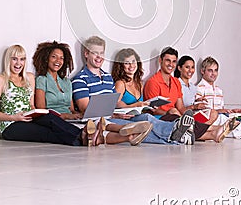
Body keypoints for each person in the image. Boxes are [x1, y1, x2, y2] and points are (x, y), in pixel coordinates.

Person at [72, 36, 209, 145]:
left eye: (101, 53)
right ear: (86, 54)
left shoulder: (108, 78)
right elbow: (87, 110)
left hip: (115, 116)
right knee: (144, 123)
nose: (99, 57)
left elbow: (114, 103)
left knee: (145, 121)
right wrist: (117, 113)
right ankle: (175, 135)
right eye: (95, 53)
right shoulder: (80, 79)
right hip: (101, 120)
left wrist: (121, 111)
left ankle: (177, 137)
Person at [33, 40, 152, 146]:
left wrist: (77, 114)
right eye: (54, 57)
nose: (58, 61)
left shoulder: (66, 82)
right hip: (56, 118)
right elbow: (42, 110)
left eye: (61, 58)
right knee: (94, 124)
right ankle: (127, 132)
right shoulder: (42, 80)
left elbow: (72, 109)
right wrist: (68, 116)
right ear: (47, 58)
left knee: (94, 122)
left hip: (73, 117)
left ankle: (129, 134)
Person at [0, 44, 92, 146]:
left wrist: (35, 113)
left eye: (22, 59)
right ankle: (84, 138)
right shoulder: (0, 79)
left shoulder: (29, 78)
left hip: (28, 118)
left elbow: (32, 105)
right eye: (14, 59)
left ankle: (83, 135)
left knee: (50, 118)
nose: (18, 63)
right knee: (44, 133)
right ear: (8, 60)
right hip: (11, 125)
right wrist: (14, 117)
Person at [143, 46, 238, 143]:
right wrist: (171, 113)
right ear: (160, 61)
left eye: (174, 61)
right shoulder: (153, 82)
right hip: (161, 119)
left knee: (202, 115)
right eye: (168, 61)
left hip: (177, 117)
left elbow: (181, 108)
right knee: (174, 112)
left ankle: (212, 133)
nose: (171, 64)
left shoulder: (176, 82)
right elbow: (153, 110)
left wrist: (189, 114)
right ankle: (215, 130)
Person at [175, 55, 241, 139]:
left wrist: (231, 111)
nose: (213, 73)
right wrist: (197, 106)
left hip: (215, 116)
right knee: (225, 120)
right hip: (206, 117)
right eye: (210, 70)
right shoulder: (196, 88)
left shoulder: (195, 88)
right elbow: (197, 109)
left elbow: (217, 109)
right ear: (202, 71)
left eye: (215, 70)